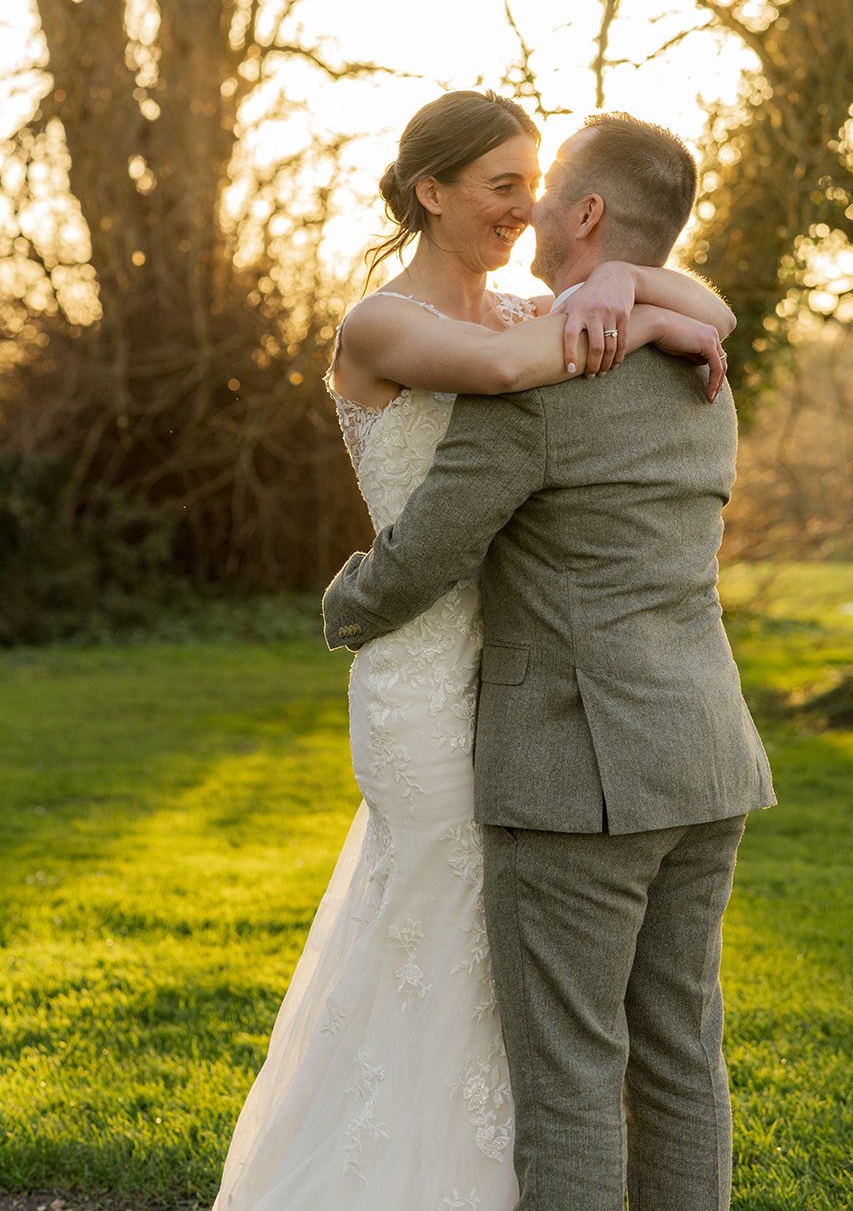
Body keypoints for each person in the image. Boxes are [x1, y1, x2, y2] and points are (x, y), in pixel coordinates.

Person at [212, 89, 736, 1211]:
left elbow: (685, 310)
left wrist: (618, 283)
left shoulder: (529, 317)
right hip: (428, 677)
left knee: (538, 1023)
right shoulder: (389, 324)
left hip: (532, 695)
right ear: (429, 191)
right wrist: (640, 306)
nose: (522, 206)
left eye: (535, 186)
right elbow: (504, 380)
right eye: (502, 185)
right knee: (446, 951)